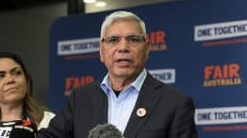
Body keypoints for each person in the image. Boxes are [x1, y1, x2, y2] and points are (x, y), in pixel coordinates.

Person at [38, 11, 197, 138]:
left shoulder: (175, 103)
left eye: (133, 39)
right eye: (113, 40)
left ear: (147, 48)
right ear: (101, 50)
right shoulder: (81, 98)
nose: (123, 47)